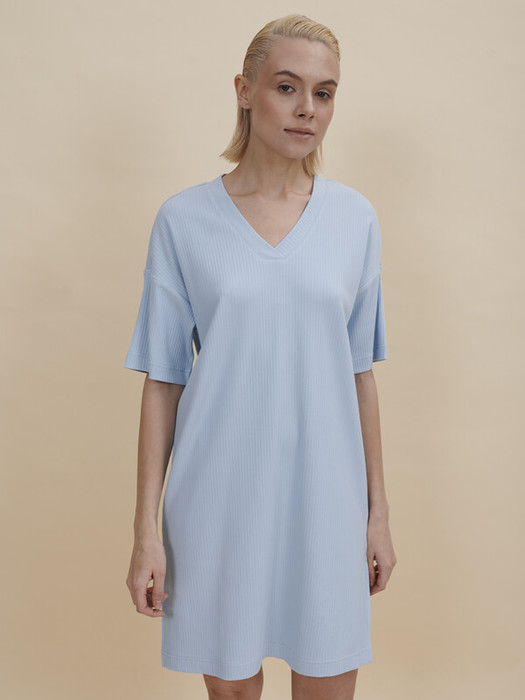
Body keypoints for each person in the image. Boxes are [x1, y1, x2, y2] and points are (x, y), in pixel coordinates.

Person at [124, 13, 396, 700]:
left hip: (326, 499)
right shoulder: (184, 221)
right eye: (287, 86)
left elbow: (358, 372)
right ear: (245, 91)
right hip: (218, 499)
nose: (307, 109)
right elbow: (164, 380)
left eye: (324, 93)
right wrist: (146, 533)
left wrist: (377, 514)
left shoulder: (354, 220)